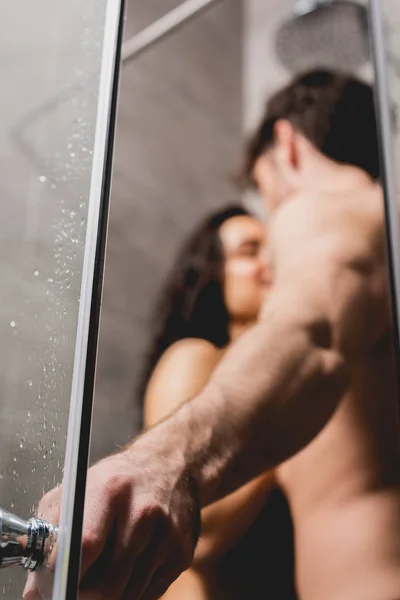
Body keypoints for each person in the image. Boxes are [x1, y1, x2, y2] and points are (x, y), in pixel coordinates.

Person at [24, 69, 400, 600]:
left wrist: (165, 463)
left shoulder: (329, 206)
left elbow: (311, 334)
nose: (273, 233)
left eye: (262, 189)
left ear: (286, 144)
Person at [141, 205, 295, 599]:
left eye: (273, 251)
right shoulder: (195, 357)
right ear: (213, 274)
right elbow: (199, 531)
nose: (269, 263)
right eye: (249, 251)